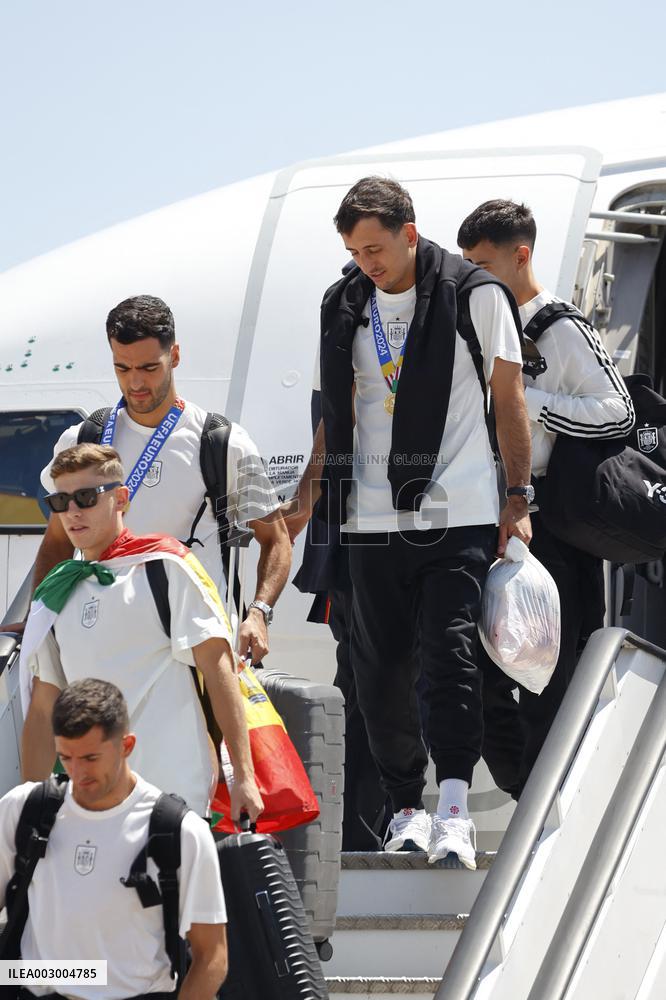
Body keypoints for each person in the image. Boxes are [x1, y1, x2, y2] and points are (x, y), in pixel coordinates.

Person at [316, 176, 532, 869]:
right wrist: (308, 499)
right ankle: (406, 809)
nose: (366, 264)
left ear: (409, 234)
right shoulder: (345, 302)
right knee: (379, 674)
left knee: (449, 657)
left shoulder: (474, 293)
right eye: (354, 252)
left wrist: (518, 497)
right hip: (368, 519)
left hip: (456, 511)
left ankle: (455, 808)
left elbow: (508, 396)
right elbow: (337, 410)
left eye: (375, 249)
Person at [5, 294, 291, 664]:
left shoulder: (223, 443)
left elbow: (276, 539)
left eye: (149, 367)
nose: (136, 382)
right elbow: (58, 540)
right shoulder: (83, 439)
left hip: (194, 651)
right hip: (104, 645)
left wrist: (259, 612)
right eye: (122, 368)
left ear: (175, 356)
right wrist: (36, 617)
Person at [457, 199, 634, 793]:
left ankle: (547, 799)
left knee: (552, 680)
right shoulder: (475, 325)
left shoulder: (558, 326)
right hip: (488, 521)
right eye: (466, 265)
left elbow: (618, 412)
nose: (472, 278)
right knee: (474, 669)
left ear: (521, 255)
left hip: (552, 526)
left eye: (482, 265)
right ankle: (526, 787)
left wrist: (521, 402)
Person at [20, 443, 263, 823]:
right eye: (60, 501)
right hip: (91, 804)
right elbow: (43, 707)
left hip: (173, 795)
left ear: (120, 499)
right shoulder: (57, 592)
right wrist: (29, 803)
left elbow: (219, 671)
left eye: (86, 497)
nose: (72, 512)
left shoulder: (166, 566)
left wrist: (244, 777)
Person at [0, 678, 227, 1000]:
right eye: (66, 757)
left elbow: (212, 956)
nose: (78, 773)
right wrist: (17, 974)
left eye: (90, 758)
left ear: (126, 745)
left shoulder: (180, 831)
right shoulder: (24, 809)